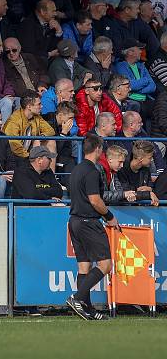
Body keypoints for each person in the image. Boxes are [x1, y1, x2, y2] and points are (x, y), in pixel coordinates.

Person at [66, 133, 116, 321]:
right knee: (105, 264)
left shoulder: (76, 169)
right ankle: (77, 298)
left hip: (74, 221)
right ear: (98, 149)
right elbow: (95, 200)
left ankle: (87, 310)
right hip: (89, 221)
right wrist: (110, 217)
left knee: (84, 267)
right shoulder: (92, 171)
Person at [3, 90, 57, 168]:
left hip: (30, 152)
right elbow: (13, 145)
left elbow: (50, 130)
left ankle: (52, 177)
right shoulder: (14, 120)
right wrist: (31, 156)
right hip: (15, 157)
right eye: (39, 104)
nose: (41, 106)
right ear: (29, 107)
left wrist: (39, 138)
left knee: (51, 142)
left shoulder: (37, 117)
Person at [113, 39, 156, 103]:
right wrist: (146, 80)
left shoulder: (141, 65)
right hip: (130, 101)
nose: (141, 52)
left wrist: (138, 90)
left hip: (146, 100)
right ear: (130, 52)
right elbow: (130, 85)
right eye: (139, 49)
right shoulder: (120, 66)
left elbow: (153, 86)